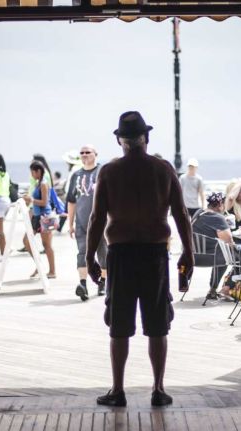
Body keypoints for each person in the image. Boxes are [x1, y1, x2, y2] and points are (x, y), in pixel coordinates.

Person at [86, 111, 193, 407]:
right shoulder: (163, 169)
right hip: (154, 255)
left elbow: (96, 219)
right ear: (145, 138)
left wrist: (90, 257)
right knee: (157, 324)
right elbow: (181, 213)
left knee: (119, 324)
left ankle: (117, 390)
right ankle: (158, 389)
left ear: (121, 140)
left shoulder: (109, 171)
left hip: (120, 255)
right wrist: (189, 251)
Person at [67, 144, 107, 301]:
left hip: (102, 222)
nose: (84, 155)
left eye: (87, 152)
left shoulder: (103, 172)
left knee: (103, 254)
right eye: (82, 153)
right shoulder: (76, 175)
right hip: (82, 222)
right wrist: (70, 223)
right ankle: (82, 285)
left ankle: (103, 282)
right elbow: (71, 201)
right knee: (82, 253)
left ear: (95, 154)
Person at [193, 192, 234, 300]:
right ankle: (217, 288)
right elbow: (228, 239)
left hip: (193, 257)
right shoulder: (218, 218)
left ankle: (214, 289)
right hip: (211, 258)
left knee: (221, 251)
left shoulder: (198, 212)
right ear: (220, 204)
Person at [24, 160, 56, 278]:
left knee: (46, 244)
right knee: (26, 241)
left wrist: (31, 200)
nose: (31, 174)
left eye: (32, 172)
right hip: (37, 217)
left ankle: (52, 271)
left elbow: (44, 202)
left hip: (45, 217)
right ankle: (39, 265)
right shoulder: (38, 183)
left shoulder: (43, 183)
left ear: (38, 171)